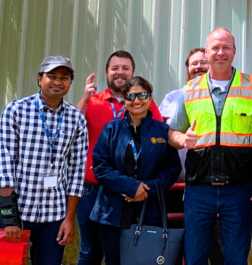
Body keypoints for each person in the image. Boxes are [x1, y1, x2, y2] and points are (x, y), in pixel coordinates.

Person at [168, 27, 252, 265]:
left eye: (226, 47)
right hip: (198, 189)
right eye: (215, 48)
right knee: (194, 258)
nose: (220, 53)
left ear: (234, 52)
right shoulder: (190, 90)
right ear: (207, 52)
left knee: (236, 258)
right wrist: (182, 140)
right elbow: (172, 132)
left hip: (238, 189)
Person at [0, 56, 88, 265]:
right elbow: (4, 162)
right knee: (9, 263)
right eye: (51, 76)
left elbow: (76, 171)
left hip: (54, 214)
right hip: (18, 209)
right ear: (39, 79)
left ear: (70, 83)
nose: (57, 82)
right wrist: (10, 218)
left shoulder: (77, 119)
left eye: (64, 77)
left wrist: (69, 218)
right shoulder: (16, 111)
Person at [75, 50, 162, 265]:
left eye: (125, 68)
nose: (120, 72)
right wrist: (84, 99)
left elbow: (161, 136)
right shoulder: (93, 101)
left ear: (133, 72)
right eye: (115, 68)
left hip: (131, 192)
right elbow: (71, 128)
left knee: (125, 255)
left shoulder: (145, 103)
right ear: (107, 73)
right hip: (93, 189)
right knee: (90, 253)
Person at [90, 76, 182, 265]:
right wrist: (131, 187)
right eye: (131, 96)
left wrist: (145, 188)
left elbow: (172, 168)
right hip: (113, 212)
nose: (137, 101)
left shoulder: (163, 131)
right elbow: (100, 166)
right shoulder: (111, 129)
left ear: (150, 98)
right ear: (124, 100)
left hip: (150, 211)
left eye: (142, 95)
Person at [159, 46, 225, 265]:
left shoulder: (223, 97)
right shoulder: (172, 97)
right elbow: (163, 136)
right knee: (175, 245)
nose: (198, 66)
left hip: (211, 186)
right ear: (187, 69)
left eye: (203, 62)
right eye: (193, 63)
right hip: (176, 185)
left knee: (216, 246)